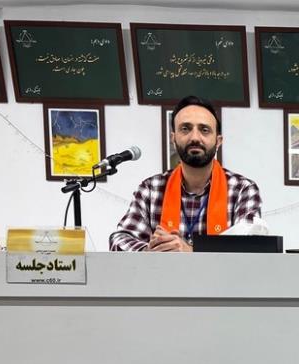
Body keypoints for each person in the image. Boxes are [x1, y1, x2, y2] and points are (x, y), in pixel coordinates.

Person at [109, 95, 262, 252]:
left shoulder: (242, 189)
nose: (195, 137)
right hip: (161, 268)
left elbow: (252, 248)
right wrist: (151, 251)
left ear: (218, 140)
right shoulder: (151, 189)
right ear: (173, 138)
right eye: (185, 129)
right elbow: (119, 240)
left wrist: (190, 251)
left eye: (204, 130)